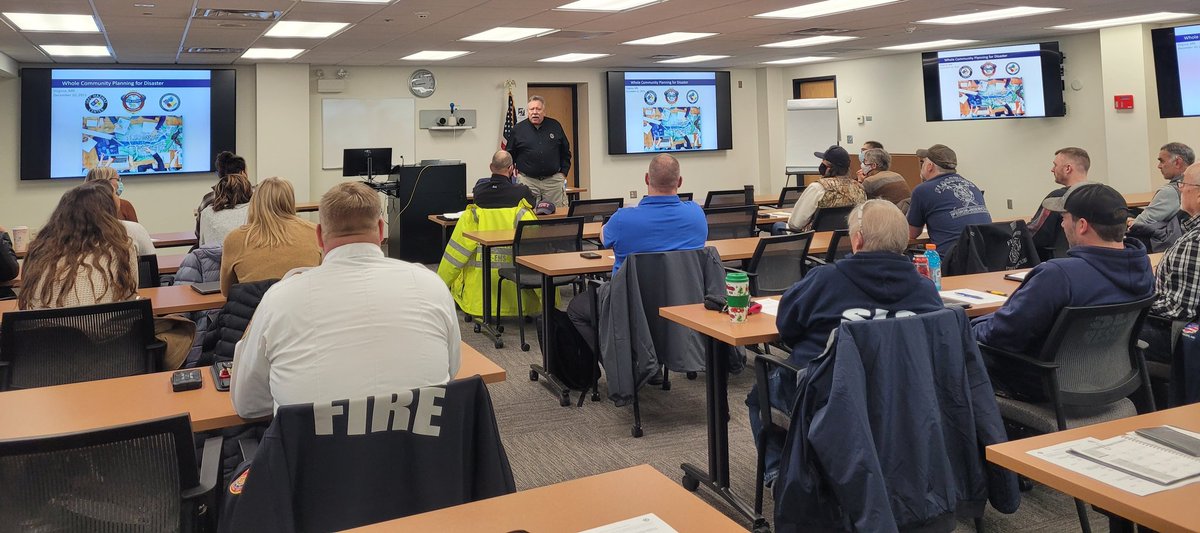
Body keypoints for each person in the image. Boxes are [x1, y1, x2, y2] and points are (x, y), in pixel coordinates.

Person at [748, 199, 944, 484]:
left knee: (761, 390)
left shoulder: (824, 279)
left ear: (857, 240)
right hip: (903, 396)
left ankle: (779, 475)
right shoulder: (925, 289)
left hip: (826, 397)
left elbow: (787, 329)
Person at [231, 182, 461, 418]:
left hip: (317, 453)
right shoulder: (431, 285)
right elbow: (451, 371)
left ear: (319, 236)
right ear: (381, 230)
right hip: (421, 450)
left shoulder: (279, 300)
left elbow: (248, 405)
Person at [973, 183, 1154, 401]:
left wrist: (969, 327)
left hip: (1046, 386)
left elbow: (1003, 336)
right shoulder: (1142, 266)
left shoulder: (1058, 275)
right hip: (1111, 380)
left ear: (1082, 225)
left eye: (1065, 217)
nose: (1061, 223)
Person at [567, 154, 706, 349]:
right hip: (683, 301)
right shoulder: (696, 214)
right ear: (680, 182)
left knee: (575, 309)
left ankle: (623, 363)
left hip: (629, 304)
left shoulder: (623, 219)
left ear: (647, 179)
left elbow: (604, 238)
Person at [18, 181, 138, 309]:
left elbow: (25, 302)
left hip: (43, 327)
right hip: (102, 327)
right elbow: (130, 300)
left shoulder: (38, 250)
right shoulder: (121, 248)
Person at [219, 177, 321, 296]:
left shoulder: (235, 239)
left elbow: (226, 292)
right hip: (303, 310)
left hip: (255, 312)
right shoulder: (314, 231)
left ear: (255, 202)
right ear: (291, 200)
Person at [1144, 162, 1200, 364]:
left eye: (1183, 184)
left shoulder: (1195, 241)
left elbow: (1178, 310)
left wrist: (1136, 303)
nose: (1179, 188)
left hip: (1178, 334)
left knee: (1114, 334)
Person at [907, 144, 991, 255]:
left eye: (923, 162)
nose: (921, 166)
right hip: (984, 260)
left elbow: (910, 234)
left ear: (930, 166)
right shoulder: (972, 186)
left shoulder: (922, 190)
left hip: (950, 263)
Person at [505, 95, 572, 208]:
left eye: (538, 109)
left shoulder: (555, 126)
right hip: (527, 181)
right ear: (528, 111)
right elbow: (509, 155)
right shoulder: (518, 129)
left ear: (544, 111)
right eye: (532, 109)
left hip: (553, 182)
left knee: (558, 216)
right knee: (527, 216)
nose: (535, 112)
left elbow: (566, 152)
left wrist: (563, 173)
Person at [782, 145, 866, 232]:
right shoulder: (859, 188)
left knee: (778, 226)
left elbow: (795, 224)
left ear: (828, 168)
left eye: (823, 164)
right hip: (848, 241)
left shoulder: (818, 188)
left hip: (813, 241)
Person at [1129, 142, 1194, 252]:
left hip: (1167, 248)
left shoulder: (1170, 192)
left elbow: (1139, 224)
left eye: (1162, 161)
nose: (1158, 166)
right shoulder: (1194, 186)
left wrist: (1129, 221)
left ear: (1178, 162)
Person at [1027, 147, 1091, 258]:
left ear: (1068, 169)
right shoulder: (1103, 195)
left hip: (1059, 262)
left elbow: (1036, 235)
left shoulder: (1058, 198)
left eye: (1055, 165)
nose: (1052, 169)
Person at [86, 169, 155, 256]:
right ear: (106, 182)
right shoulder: (124, 206)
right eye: (118, 179)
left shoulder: (75, 208)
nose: (120, 183)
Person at [197, 151, 248, 239]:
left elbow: (199, 233)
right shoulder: (257, 197)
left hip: (216, 251)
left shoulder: (208, 200)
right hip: (249, 249)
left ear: (219, 175)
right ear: (243, 174)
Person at [199, 171, 253, 247]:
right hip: (244, 257)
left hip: (214, 258)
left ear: (219, 192)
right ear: (248, 191)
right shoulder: (253, 211)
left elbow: (202, 243)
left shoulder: (207, 213)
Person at [472, 150, 536, 208]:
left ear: (491, 167)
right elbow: (532, 207)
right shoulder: (522, 192)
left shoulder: (479, 191)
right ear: (511, 168)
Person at [856, 147, 912, 213]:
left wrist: (859, 181)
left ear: (873, 166)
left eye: (864, 161)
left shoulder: (870, 181)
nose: (862, 164)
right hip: (904, 215)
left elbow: (858, 202)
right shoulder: (897, 175)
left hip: (887, 216)